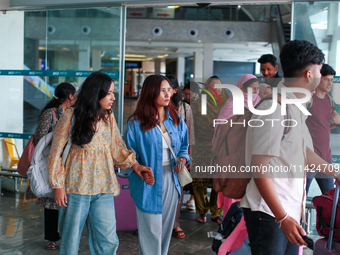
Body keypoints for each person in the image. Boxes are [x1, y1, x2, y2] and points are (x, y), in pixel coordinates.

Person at [239, 40, 340, 255]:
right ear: (309, 74)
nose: (322, 75)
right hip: (269, 213)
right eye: (320, 69)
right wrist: (281, 217)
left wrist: (335, 171)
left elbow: (301, 151)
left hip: (288, 210)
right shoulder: (274, 108)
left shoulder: (293, 106)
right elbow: (259, 167)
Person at [48, 72, 153, 255]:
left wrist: (135, 166)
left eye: (113, 92)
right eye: (109, 93)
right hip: (75, 188)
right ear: (96, 93)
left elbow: (116, 147)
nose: (113, 97)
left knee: (108, 240)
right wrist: (58, 185)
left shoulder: (107, 117)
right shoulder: (70, 116)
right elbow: (55, 153)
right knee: (70, 241)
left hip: (103, 187)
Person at [124, 74, 190, 255]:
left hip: (171, 178)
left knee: (166, 229)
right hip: (148, 180)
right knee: (151, 231)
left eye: (169, 89)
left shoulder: (176, 119)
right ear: (151, 92)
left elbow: (184, 146)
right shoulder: (136, 123)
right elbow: (127, 154)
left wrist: (183, 159)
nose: (168, 94)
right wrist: (137, 168)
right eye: (162, 90)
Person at [24, 82, 77, 250]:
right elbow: (40, 138)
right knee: (51, 201)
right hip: (51, 161)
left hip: (68, 162)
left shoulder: (71, 113)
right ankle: (52, 238)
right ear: (70, 96)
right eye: (74, 95)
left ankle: (66, 235)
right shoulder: (50, 114)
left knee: (64, 200)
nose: (76, 98)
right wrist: (58, 141)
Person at [214, 74, 260, 216]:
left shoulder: (260, 103)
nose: (255, 92)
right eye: (252, 89)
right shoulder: (232, 105)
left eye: (257, 89)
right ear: (241, 88)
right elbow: (219, 130)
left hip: (252, 157)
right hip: (233, 157)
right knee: (233, 195)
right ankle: (230, 229)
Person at [191, 75, 229, 224]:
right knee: (199, 181)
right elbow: (191, 127)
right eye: (213, 86)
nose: (216, 90)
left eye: (219, 86)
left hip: (220, 147)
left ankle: (216, 211)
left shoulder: (227, 104)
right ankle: (201, 211)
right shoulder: (198, 104)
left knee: (217, 181)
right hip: (202, 145)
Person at [166, 74, 195, 239]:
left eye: (168, 88)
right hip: (160, 156)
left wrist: (188, 157)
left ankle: (175, 224)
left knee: (178, 191)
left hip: (178, 157)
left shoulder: (185, 108)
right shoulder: (156, 106)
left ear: (175, 90)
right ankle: (159, 223)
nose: (164, 91)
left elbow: (190, 135)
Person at [305, 64, 339, 194]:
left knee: (331, 200)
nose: (330, 83)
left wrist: (337, 123)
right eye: (326, 79)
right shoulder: (308, 100)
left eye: (331, 80)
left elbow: (323, 127)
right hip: (310, 160)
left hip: (326, 159)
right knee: (301, 199)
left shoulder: (329, 100)